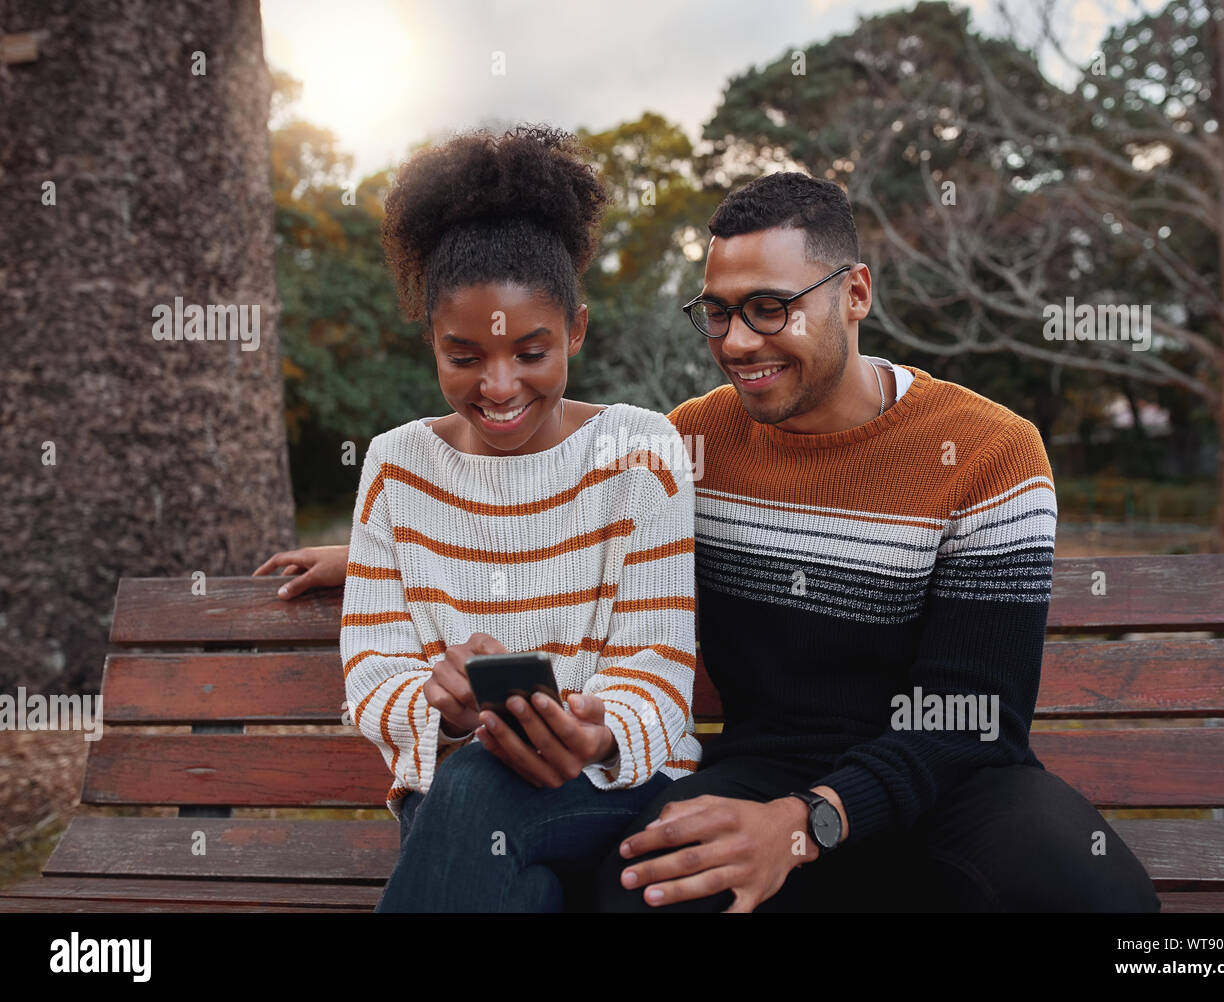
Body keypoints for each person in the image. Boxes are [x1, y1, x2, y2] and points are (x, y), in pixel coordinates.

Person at [258, 170, 1160, 913]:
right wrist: (375, 554)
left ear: (854, 294)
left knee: (1103, 902)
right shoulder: (689, 441)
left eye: (769, 308)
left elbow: (976, 715)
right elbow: (562, 491)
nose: (737, 340)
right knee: (630, 897)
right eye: (719, 311)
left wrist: (810, 824)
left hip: (950, 777)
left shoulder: (992, 450)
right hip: (762, 763)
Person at [253, 125, 702, 911]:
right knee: (510, 867)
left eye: (531, 353)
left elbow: (658, 664)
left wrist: (595, 731)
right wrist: (447, 708)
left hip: (614, 783)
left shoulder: (641, 449)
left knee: (478, 786)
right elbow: (373, 673)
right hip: (462, 794)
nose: (498, 386)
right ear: (431, 340)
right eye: (464, 357)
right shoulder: (395, 467)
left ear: (577, 330)